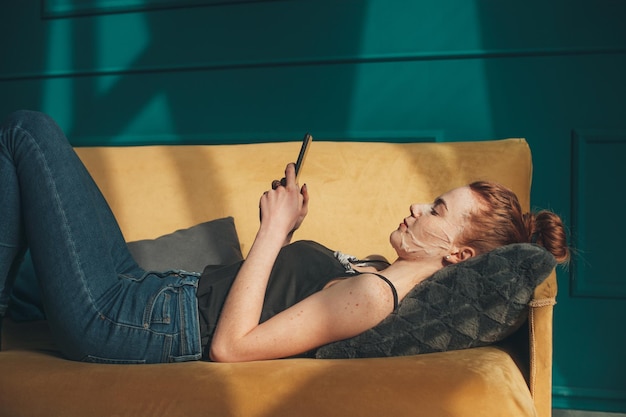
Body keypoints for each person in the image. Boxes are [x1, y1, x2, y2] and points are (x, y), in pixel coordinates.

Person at [0, 110, 569, 364]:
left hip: (127, 320)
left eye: (438, 208)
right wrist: (288, 229)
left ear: (459, 252)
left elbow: (231, 347)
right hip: (147, 292)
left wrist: (272, 232)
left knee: (28, 132)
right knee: (30, 142)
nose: (419, 205)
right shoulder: (371, 272)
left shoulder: (374, 296)